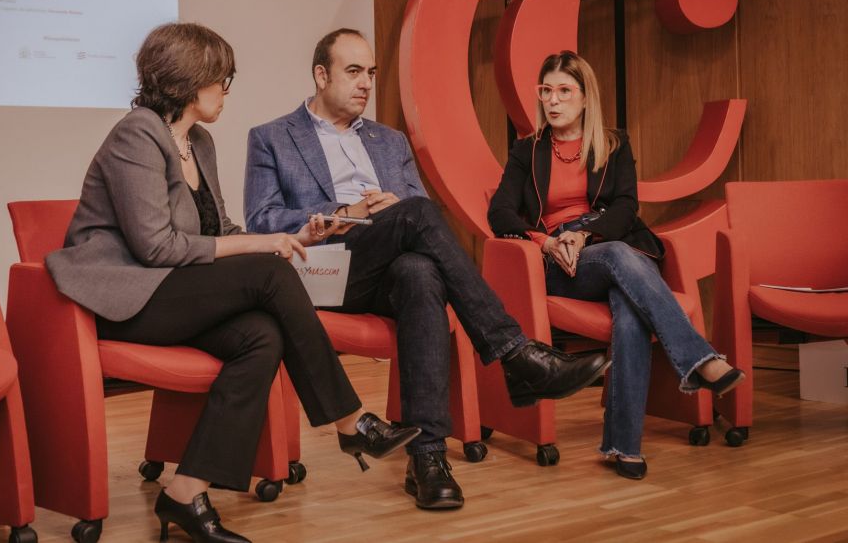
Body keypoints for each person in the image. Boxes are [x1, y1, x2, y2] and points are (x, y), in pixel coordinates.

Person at [46, 23, 420, 543]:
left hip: (175, 292)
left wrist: (295, 235)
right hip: (127, 298)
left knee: (260, 335)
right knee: (268, 270)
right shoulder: (136, 134)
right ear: (188, 81)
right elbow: (156, 248)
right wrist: (264, 248)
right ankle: (349, 422)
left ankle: (186, 492)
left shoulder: (199, 142)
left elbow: (220, 231)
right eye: (221, 79)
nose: (226, 90)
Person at [243, 28, 610, 510]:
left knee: (420, 271)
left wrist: (393, 207)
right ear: (320, 75)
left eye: (370, 73)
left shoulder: (388, 140)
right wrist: (345, 213)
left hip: (391, 264)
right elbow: (261, 220)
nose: (365, 84)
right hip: (326, 269)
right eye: (353, 72)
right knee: (416, 221)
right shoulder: (272, 137)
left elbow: (416, 210)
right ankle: (515, 355)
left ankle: (428, 458)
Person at [487, 50, 746, 480]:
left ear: (586, 97)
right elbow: (500, 213)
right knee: (620, 258)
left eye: (564, 91)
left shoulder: (613, 145)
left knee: (629, 312)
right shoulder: (526, 151)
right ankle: (699, 360)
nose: (553, 101)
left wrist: (585, 234)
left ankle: (622, 446)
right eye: (546, 91)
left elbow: (627, 206)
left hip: (604, 249)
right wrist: (549, 242)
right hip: (558, 266)